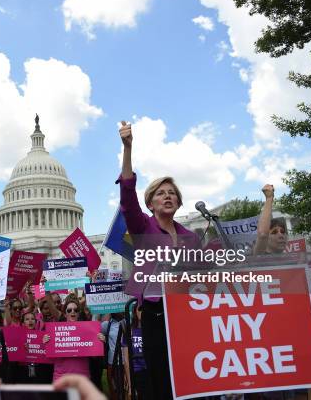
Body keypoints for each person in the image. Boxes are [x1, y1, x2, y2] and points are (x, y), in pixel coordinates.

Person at [117, 120, 197, 399]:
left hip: (188, 311)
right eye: (161, 193)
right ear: (151, 203)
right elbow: (127, 198)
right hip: (156, 312)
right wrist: (128, 148)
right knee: (162, 377)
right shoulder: (143, 228)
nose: (168, 196)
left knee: (189, 373)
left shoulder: (191, 237)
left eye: (172, 193)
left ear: (178, 202)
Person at [43, 298, 105, 381]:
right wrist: (46, 344)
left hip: (82, 377)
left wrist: (99, 342)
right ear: (65, 314)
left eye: (76, 310)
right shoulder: (55, 331)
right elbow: (49, 358)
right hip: (61, 377)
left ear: (78, 313)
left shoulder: (88, 330)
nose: (73, 312)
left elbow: (95, 356)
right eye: (69, 310)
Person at [122, 305, 152, 400]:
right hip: (136, 372)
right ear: (135, 312)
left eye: (144, 309)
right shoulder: (129, 331)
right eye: (139, 309)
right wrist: (130, 385)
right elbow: (126, 360)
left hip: (151, 372)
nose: (142, 312)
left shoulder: (152, 330)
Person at [253, 184, 287, 255]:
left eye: (283, 232)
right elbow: (263, 234)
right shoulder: (259, 257)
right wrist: (269, 198)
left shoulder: (294, 259)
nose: (281, 235)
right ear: (266, 240)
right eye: (274, 232)